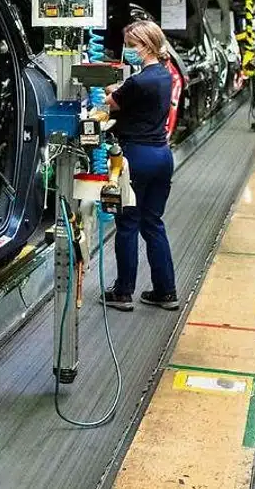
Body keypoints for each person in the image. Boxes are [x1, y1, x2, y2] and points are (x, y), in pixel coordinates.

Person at [96, 20, 179, 312]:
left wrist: (104, 85)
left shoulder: (137, 82)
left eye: (131, 45)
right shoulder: (164, 75)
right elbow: (132, 95)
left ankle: (123, 292)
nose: (128, 50)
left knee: (128, 224)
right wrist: (122, 88)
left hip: (135, 158)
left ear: (147, 45)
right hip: (162, 156)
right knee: (153, 222)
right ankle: (166, 292)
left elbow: (110, 102)